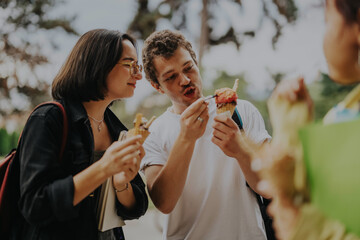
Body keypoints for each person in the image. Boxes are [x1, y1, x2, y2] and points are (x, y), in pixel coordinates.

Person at [11, 29, 148, 240]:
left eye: (138, 66)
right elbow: (35, 205)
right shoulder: (48, 119)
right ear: (98, 65)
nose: (138, 74)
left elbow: (136, 208)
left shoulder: (117, 128)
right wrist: (104, 168)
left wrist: (122, 184)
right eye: (130, 65)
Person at [140, 29, 271, 240]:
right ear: (158, 87)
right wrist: (186, 138)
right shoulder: (154, 132)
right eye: (171, 77)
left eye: (188, 68)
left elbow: (271, 186)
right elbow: (164, 203)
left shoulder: (243, 111)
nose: (184, 80)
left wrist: (240, 151)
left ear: (196, 62)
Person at [262, 0, 360, 239]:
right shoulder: (345, 112)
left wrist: (302, 225)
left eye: (327, 21)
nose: (324, 37)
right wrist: (292, 130)